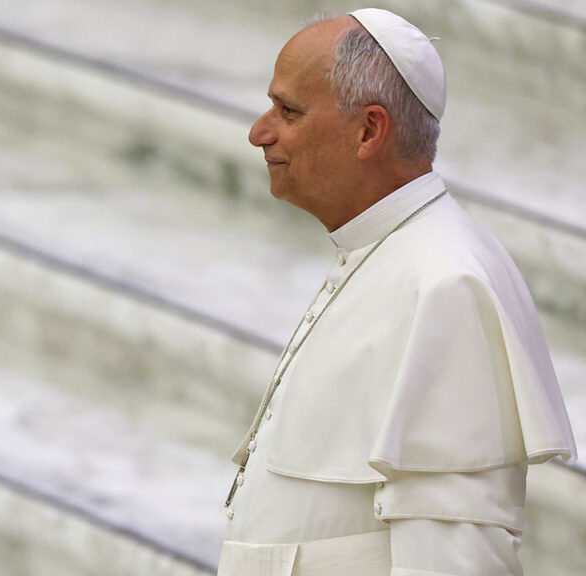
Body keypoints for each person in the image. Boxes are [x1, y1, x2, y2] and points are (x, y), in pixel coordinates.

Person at [218, 8, 577, 576]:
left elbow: (456, 561)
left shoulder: (447, 285)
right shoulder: (385, 253)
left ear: (369, 131)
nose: (260, 132)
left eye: (288, 111)